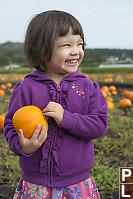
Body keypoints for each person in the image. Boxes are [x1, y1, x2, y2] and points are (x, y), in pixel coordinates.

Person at [4, 10, 108, 199]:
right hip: (36, 185)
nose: (75, 51)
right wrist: (23, 147)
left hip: (77, 184)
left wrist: (66, 118)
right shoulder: (26, 88)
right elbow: (11, 126)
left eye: (80, 44)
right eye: (66, 45)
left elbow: (99, 125)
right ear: (41, 50)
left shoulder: (87, 87)